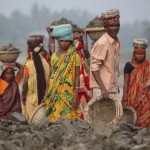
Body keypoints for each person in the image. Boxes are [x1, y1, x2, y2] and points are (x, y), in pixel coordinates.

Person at [44, 24, 82, 122]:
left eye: (66, 41)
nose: (64, 43)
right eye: (61, 41)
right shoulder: (53, 57)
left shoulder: (74, 56)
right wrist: (46, 94)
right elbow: (51, 75)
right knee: (54, 118)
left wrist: (76, 96)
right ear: (58, 42)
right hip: (54, 90)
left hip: (68, 92)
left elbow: (77, 76)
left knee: (68, 118)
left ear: (70, 42)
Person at [90, 8, 120, 98]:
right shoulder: (102, 43)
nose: (115, 28)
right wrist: (102, 88)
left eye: (117, 25)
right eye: (111, 26)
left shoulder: (116, 42)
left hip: (111, 89)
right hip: (102, 90)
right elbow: (94, 68)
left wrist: (115, 86)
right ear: (106, 27)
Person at [122, 39, 150, 128]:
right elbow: (125, 83)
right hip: (131, 96)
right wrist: (125, 99)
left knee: (145, 114)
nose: (140, 56)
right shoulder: (128, 65)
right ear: (134, 54)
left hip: (144, 95)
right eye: (138, 54)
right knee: (131, 117)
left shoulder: (147, 65)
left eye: (142, 54)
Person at [22, 35, 50, 122]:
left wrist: (23, 94)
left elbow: (25, 83)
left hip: (31, 99)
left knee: (31, 122)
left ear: (28, 48)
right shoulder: (45, 63)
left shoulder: (28, 64)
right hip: (44, 98)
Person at [74, 30, 92, 119]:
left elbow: (85, 49)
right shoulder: (70, 56)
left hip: (84, 88)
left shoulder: (84, 56)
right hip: (73, 86)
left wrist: (84, 36)